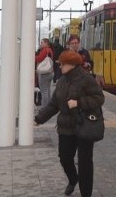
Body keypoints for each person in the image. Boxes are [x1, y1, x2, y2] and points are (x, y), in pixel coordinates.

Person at [34, 50, 104, 197]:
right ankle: (73, 179)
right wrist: (39, 119)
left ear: (72, 65)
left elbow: (99, 98)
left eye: (62, 64)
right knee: (65, 157)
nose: (60, 67)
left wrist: (79, 103)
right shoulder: (62, 81)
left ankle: (86, 193)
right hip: (66, 126)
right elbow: (54, 104)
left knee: (85, 162)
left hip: (84, 125)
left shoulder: (86, 79)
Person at [35, 38, 54, 108]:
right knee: (48, 90)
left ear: (46, 43)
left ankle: (44, 107)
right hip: (50, 72)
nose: (40, 44)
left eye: (42, 42)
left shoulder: (45, 50)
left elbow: (39, 58)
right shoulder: (50, 50)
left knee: (44, 91)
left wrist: (31, 57)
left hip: (44, 74)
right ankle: (49, 106)